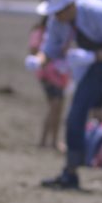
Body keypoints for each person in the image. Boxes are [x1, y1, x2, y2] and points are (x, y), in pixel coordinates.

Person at [28, 0, 102, 194]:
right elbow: (50, 47)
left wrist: (91, 56)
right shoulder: (58, 20)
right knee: (76, 113)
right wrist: (38, 60)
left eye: (57, 12)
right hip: (93, 64)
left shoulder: (97, 11)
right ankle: (71, 171)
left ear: (70, 7)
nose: (55, 17)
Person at [28, 15, 69, 151]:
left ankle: (52, 141)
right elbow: (34, 51)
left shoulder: (59, 33)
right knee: (54, 107)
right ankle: (45, 140)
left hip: (60, 74)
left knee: (58, 108)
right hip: (48, 74)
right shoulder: (39, 32)